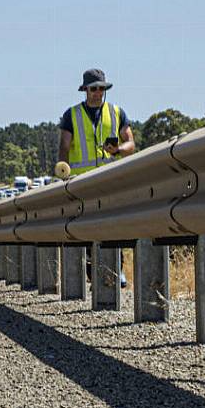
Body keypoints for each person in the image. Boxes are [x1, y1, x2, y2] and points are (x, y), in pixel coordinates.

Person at [58, 68, 136, 287]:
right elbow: (64, 146)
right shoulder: (71, 115)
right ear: (85, 90)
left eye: (101, 88)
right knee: (88, 228)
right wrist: (64, 173)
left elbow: (131, 144)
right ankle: (94, 275)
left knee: (114, 226)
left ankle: (116, 271)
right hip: (82, 183)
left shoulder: (117, 112)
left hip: (110, 181)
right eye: (93, 89)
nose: (98, 92)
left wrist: (118, 149)